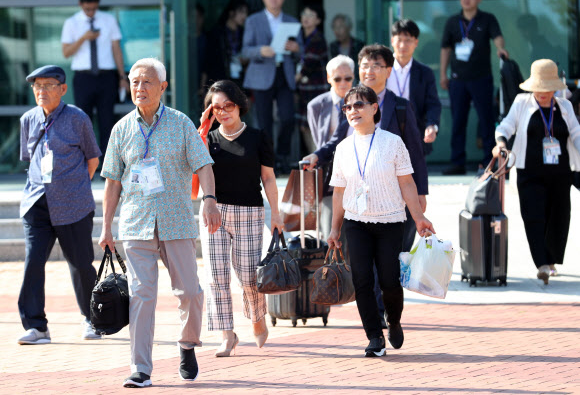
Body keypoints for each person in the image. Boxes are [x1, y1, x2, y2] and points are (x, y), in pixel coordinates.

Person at [98, 58, 221, 388]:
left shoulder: (181, 124)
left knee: (191, 293)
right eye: (135, 81)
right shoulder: (121, 128)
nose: (140, 87)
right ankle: (141, 368)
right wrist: (106, 226)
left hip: (177, 220)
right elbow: (112, 181)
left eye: (147, 81)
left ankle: (186, 344)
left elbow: (204, 165)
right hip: (136, 223)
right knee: (141, 295)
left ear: (163, 87)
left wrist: (209, 200)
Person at [303, 44, 428, 328]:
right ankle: (375, 328)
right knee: (362, 271)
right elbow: (335, 142)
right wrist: (317, 155)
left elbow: (415, 156)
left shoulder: (399, 106)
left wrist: (420, 198)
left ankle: (390, 314)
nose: (368, 71)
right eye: (364, 66)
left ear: (388, 70)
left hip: (393, 204)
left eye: (375, 65)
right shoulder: (350, 103)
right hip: (357, 209)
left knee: (388, 271)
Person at [327, 84, 435, 357]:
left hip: (391, 221)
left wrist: (419, 217)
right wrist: (334, 229)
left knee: (388, 280)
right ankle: (374, 336)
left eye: (359, 105)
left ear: (375, 108)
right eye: (348, 107)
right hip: (356, 222)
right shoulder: (342, 148)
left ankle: (394, 320)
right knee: (362, 279)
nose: (353, 110)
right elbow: (339, 191)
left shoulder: (392, 142)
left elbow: (407, 183)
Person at [197, 80, 284, 357]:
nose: (224, 112)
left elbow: (268, 178)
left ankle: (257, 317)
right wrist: (202, 130)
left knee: (248, 276)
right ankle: (227, 335)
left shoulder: (258, 137)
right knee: (216, 277)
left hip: (249, 212)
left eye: (229, 106)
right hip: (214, 212)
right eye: (217, 108)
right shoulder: (207, 139)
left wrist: (276, 214)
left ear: (239, 105)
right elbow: (194, 177)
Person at [17, 65, 102, 345]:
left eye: (48, 85)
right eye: (37, 86)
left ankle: (92, 319)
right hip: (37, 203)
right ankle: (36, 326)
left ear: (63, 89)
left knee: (80, 263)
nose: (41, 91)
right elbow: (29, 160)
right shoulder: (28, 119)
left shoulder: (77, 118)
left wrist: (74, 188)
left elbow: (92, 158)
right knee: (33, 262)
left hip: (73, 204)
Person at [493, 59, 580, 284]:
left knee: (558, 218)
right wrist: (501, 142)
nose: (542, 93)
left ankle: (551, 260)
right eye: (538, 89)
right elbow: (506, 126)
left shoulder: (565, 106)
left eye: (547, 88)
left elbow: (577, 134)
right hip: (529, 172)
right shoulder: (522, 102)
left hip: (561, 173)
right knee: (534, 216)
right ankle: (541, 263)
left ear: (554, 87)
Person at [440, 0, 509, 175]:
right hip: (457, 79)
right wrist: (443, 74)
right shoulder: (453, 22)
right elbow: (445, 49)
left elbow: (498, 37)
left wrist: (500, 49)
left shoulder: (487, 19)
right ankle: (457, 162)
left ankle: (490, 161)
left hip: (481, 78)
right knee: (458, 121)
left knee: (486, 120)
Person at [389, 19, 441, 251]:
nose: (403, 45)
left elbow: (433, 104)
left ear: (416, 43)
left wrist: (432, 125)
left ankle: (403, 246)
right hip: (385, 140)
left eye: (408, 40)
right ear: (392, 41)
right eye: (399, 39)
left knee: (413, 193)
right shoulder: (382, 68)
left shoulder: (424, 73)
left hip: (413, 141)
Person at [61, 0, 129, 157]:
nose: (91, 12)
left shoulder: (108, 20)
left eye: (94, 8)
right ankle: (86, 164)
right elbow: (66, 52)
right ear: (80, 4)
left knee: (108, 121)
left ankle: (107, 166)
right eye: (87, 9)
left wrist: (122, 76)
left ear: (98, 4)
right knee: (83, 122)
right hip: (83, 77)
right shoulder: (72, 23)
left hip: (106, 77)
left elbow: (116, 49)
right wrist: (84, 37)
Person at [242, 0, 301, 174]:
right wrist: (260, 50)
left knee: (288, 119)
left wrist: (296, 49)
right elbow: (245, 50)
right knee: (264, 122)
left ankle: (282, 155)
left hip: (284, 73)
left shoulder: (291, 21)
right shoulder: (253, 20)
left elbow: (301, 51)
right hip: (262, 75)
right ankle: (269, 161)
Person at [306, 55, 355, 238]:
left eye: (348, 78)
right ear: (328, 78)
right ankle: (333, 266)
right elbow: (319, 140)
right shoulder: (316, 105)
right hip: (329, 173)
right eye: (337, 79)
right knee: (329, 229)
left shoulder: (360, 102)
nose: (343, 83)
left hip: (357, 172)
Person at [296, 4, 329, 154]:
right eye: (304, 14)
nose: (306, 18)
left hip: (316, 90)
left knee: (313, 126)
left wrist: (296, 77)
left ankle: (316, 161)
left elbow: (309, 62)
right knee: (305, 126)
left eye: (311, 15)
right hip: (305, 90)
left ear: (318, 20)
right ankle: (312, 161)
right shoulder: (302, 37)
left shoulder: (317, 38)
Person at [202, 0, 249, 90]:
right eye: (241, 12)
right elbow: (208, 60)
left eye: (246, 12)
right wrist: (203, 84)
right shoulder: (216, 33)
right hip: (220, 79)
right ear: (231, 12)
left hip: (240, 79)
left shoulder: (244, 33)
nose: (244, 16)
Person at [329, 14, 365, 83]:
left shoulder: (359, 45)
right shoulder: (333, 46)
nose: (337, 31)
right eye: (334, 27)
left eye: (340, 27)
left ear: (348, 28)